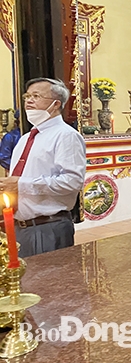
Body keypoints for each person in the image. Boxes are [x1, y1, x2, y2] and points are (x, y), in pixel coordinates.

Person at [0, 78, 86, 256]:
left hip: (47, 226)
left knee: (50, 282)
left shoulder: (66, 136)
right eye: (27, 96)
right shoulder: (25, 138)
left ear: (55, 104)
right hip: (19, 226)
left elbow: (72, 182)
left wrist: (21, 184)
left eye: (36, 96)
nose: (28, 101)